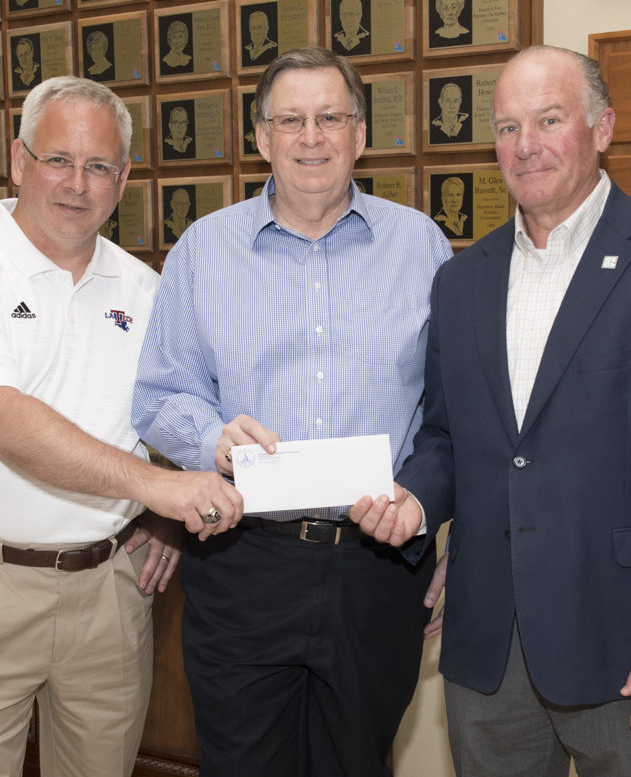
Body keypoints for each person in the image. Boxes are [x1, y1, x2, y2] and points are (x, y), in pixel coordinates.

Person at [349, 45, 631, 777]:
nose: (526, 144)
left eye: (549, 119)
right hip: (489, 645)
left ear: (602, 128)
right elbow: (453, 436)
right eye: (508, 127)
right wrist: (415, 497)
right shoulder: (461, 281)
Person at [0, 75, 243, 777]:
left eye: (99, 167)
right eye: (58, 159)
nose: (76, 184)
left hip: (110, 588)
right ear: (19, 160)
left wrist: (167, 513)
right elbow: (1, 419)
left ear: (123, 180)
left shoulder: (144, 287)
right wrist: (160, 487)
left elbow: (175, 410)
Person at [132, 47, 453, 777]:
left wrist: (441, 524)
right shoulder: (203, 252)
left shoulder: (422, 248)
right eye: (292, 120)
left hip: (376, 569)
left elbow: (454, 416)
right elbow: (156, 396)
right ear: (260, 137)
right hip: (244, 562)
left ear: (361, 134)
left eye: (330, 118)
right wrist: (211, 438)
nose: (312, 137)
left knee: (358, 763)